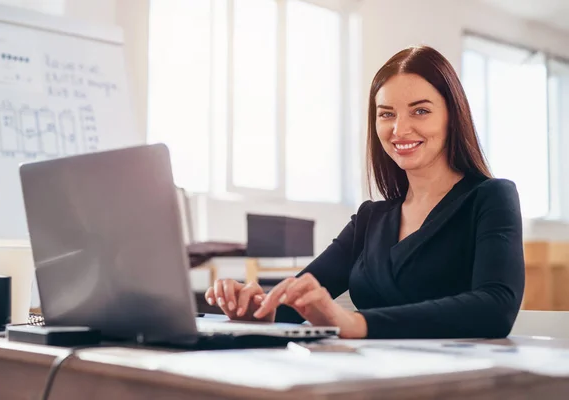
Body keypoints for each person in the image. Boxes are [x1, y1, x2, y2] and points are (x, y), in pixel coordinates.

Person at [204, 45, 525, 339]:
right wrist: (261, 309)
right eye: (387, 114)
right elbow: (296, 300)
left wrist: (358, 323)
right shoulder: (370, 219)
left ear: (453, 117)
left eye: (420, 111)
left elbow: (495, 307)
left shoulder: (491, 198)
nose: (399, 129)